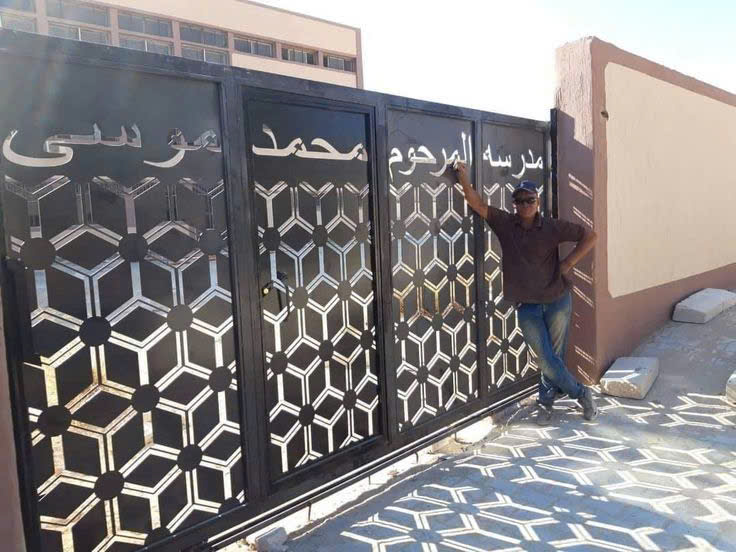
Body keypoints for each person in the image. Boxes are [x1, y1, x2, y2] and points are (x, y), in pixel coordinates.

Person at [453, 161, 598, 425]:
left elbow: (590, 235)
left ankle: (545, 404)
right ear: (514, 205)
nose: (525, 205)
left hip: (557, 300)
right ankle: (581, 393)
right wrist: (462, 176)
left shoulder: (552, 227)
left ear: (538, 202)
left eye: (530, 200)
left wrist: (568, 263)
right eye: (520, 201)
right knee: (544, 358)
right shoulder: (505, 224)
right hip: (528, 306)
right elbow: (477, 204)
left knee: (553, 358)